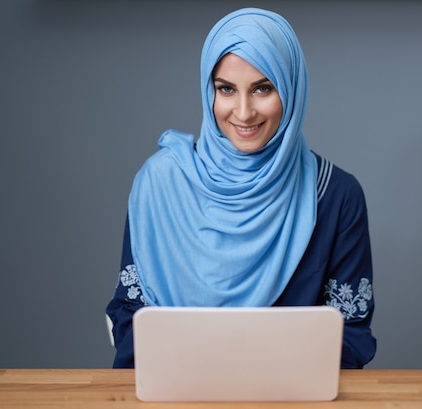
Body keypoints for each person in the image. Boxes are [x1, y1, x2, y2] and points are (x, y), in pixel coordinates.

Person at [106, 7, 376, 369]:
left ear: (292, 89)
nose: (244, 112)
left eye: (263, 88)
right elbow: (130, 312)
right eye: (226, 89)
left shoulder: (335, 195)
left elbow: (350, 333)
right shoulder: (160, 184)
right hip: (177, 394)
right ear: (209, 90)